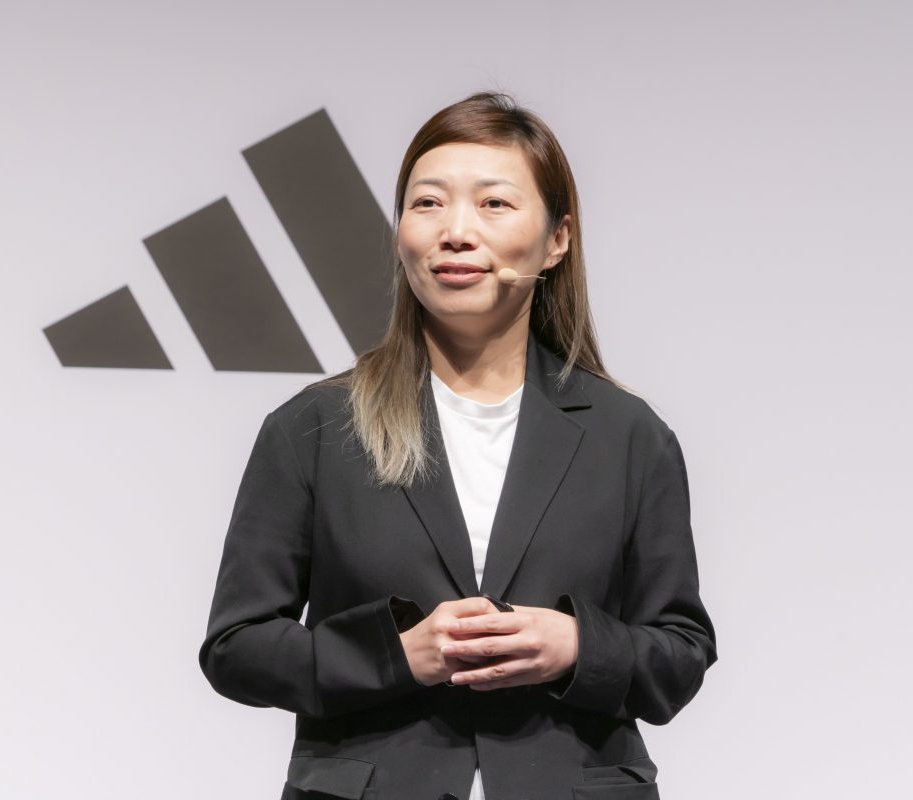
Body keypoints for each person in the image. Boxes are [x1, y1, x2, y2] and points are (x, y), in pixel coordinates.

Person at [198, 91, 717, 800]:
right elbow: (237, 647)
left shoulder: (629, 435)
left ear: (557, 239)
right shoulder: (313, 428)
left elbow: (680, 653)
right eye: (428, 203)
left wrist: (575, 646)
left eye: (494, 204)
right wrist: (394, 656)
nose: (456, 232)